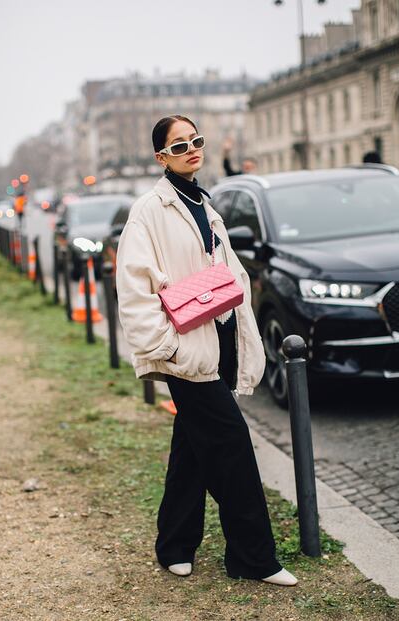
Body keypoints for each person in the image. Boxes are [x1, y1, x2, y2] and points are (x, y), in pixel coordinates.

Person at [116, 115, 297, 586]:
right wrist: (168, 348)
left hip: (217, 339)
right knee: (232, 447)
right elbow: (135, 290)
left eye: (196, 141)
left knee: (192, 449)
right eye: (179, 146)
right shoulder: (150, 210)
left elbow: (225, 273)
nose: (191, 149)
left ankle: (174, 544)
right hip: (186, 350)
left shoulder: (204, 203)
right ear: (161, 157)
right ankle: (253, 558)